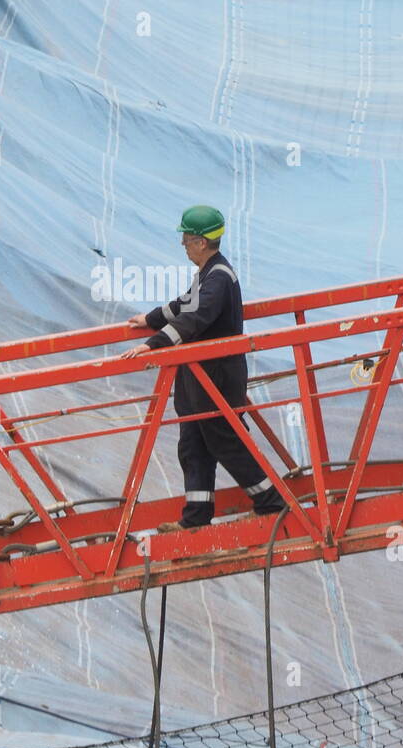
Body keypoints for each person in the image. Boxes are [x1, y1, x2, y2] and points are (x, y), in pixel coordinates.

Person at [121, 205, 287, 529]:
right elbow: (186, 304)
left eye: (186, 238)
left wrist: (153, 344)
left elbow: (194, 319)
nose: (182, 243)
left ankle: (271, 501)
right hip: (200, 379)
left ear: (200, 242)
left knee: (224, 440)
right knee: (193, 444)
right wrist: (151, 319)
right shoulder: (211, 274)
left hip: (217, 379)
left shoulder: (218, 278)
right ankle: (196, 518)